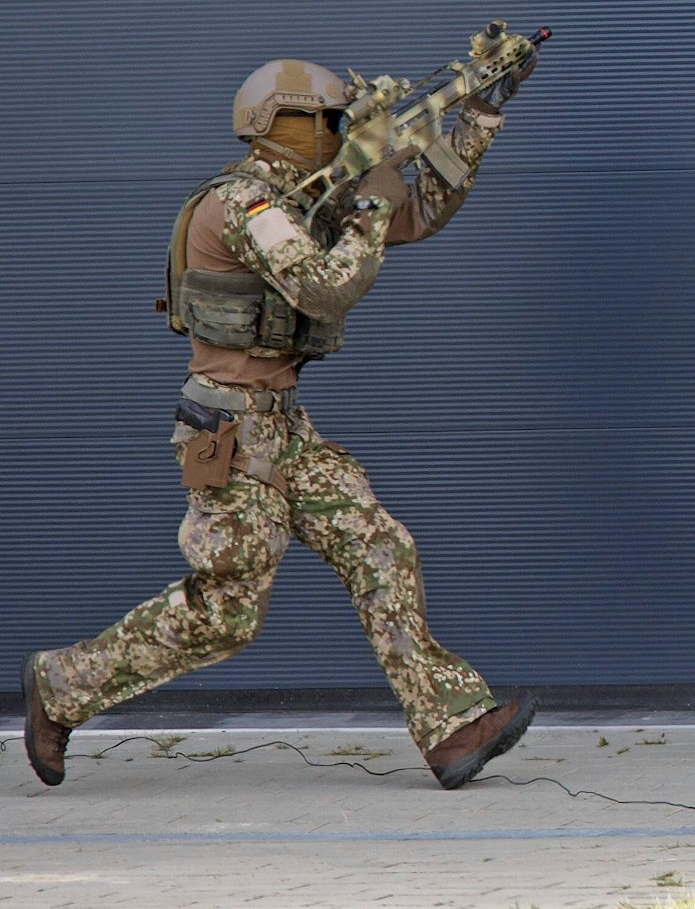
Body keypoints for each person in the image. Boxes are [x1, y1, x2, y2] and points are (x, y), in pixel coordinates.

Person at [21, 54, 539, 789]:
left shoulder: (302, 196)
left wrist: (478, 118)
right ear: (281, 122)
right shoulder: (242, 206)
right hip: (225, 437)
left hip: (285, 429)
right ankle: (61, 683)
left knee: (381, 547)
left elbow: (420, 210)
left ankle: (451, 726)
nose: (339, 130)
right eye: (329, 119)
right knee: (228, 612)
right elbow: (327, 288)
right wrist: (371, 207)